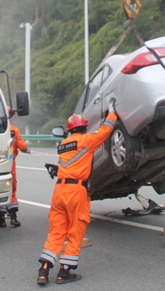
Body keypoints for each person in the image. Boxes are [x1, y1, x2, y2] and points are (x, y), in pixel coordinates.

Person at [37, 99, 118, 285]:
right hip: (76, 191)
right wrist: (112, 112)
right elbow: (106, 130)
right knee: (75, 231)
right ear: (84, 128)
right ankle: (64, 272)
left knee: (56, 232)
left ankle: (43, 270)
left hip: (59, 191)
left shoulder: (63, 145)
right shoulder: (87, 140)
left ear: (70, 129)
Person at [0, 114, 29, 227]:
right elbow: (22, 146)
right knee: (12, 189)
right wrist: (26, 149)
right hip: (11, 162)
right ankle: (13, 218)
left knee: (0, 189)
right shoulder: (14, 130)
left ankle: (1, 219)